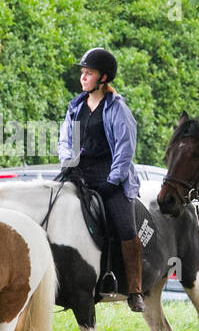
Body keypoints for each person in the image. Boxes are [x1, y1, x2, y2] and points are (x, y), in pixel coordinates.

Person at [58, 47, 144, 312]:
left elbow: (125, 148)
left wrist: (113, 181)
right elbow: (65, 141)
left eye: (89, 73)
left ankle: (134, 290)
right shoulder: (76, 106)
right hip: (80, 173)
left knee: (125, 228)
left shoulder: (117, 108)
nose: (83, 77)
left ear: (103, 78)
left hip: (110, 175)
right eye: (83, 72)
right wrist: (68, 164)